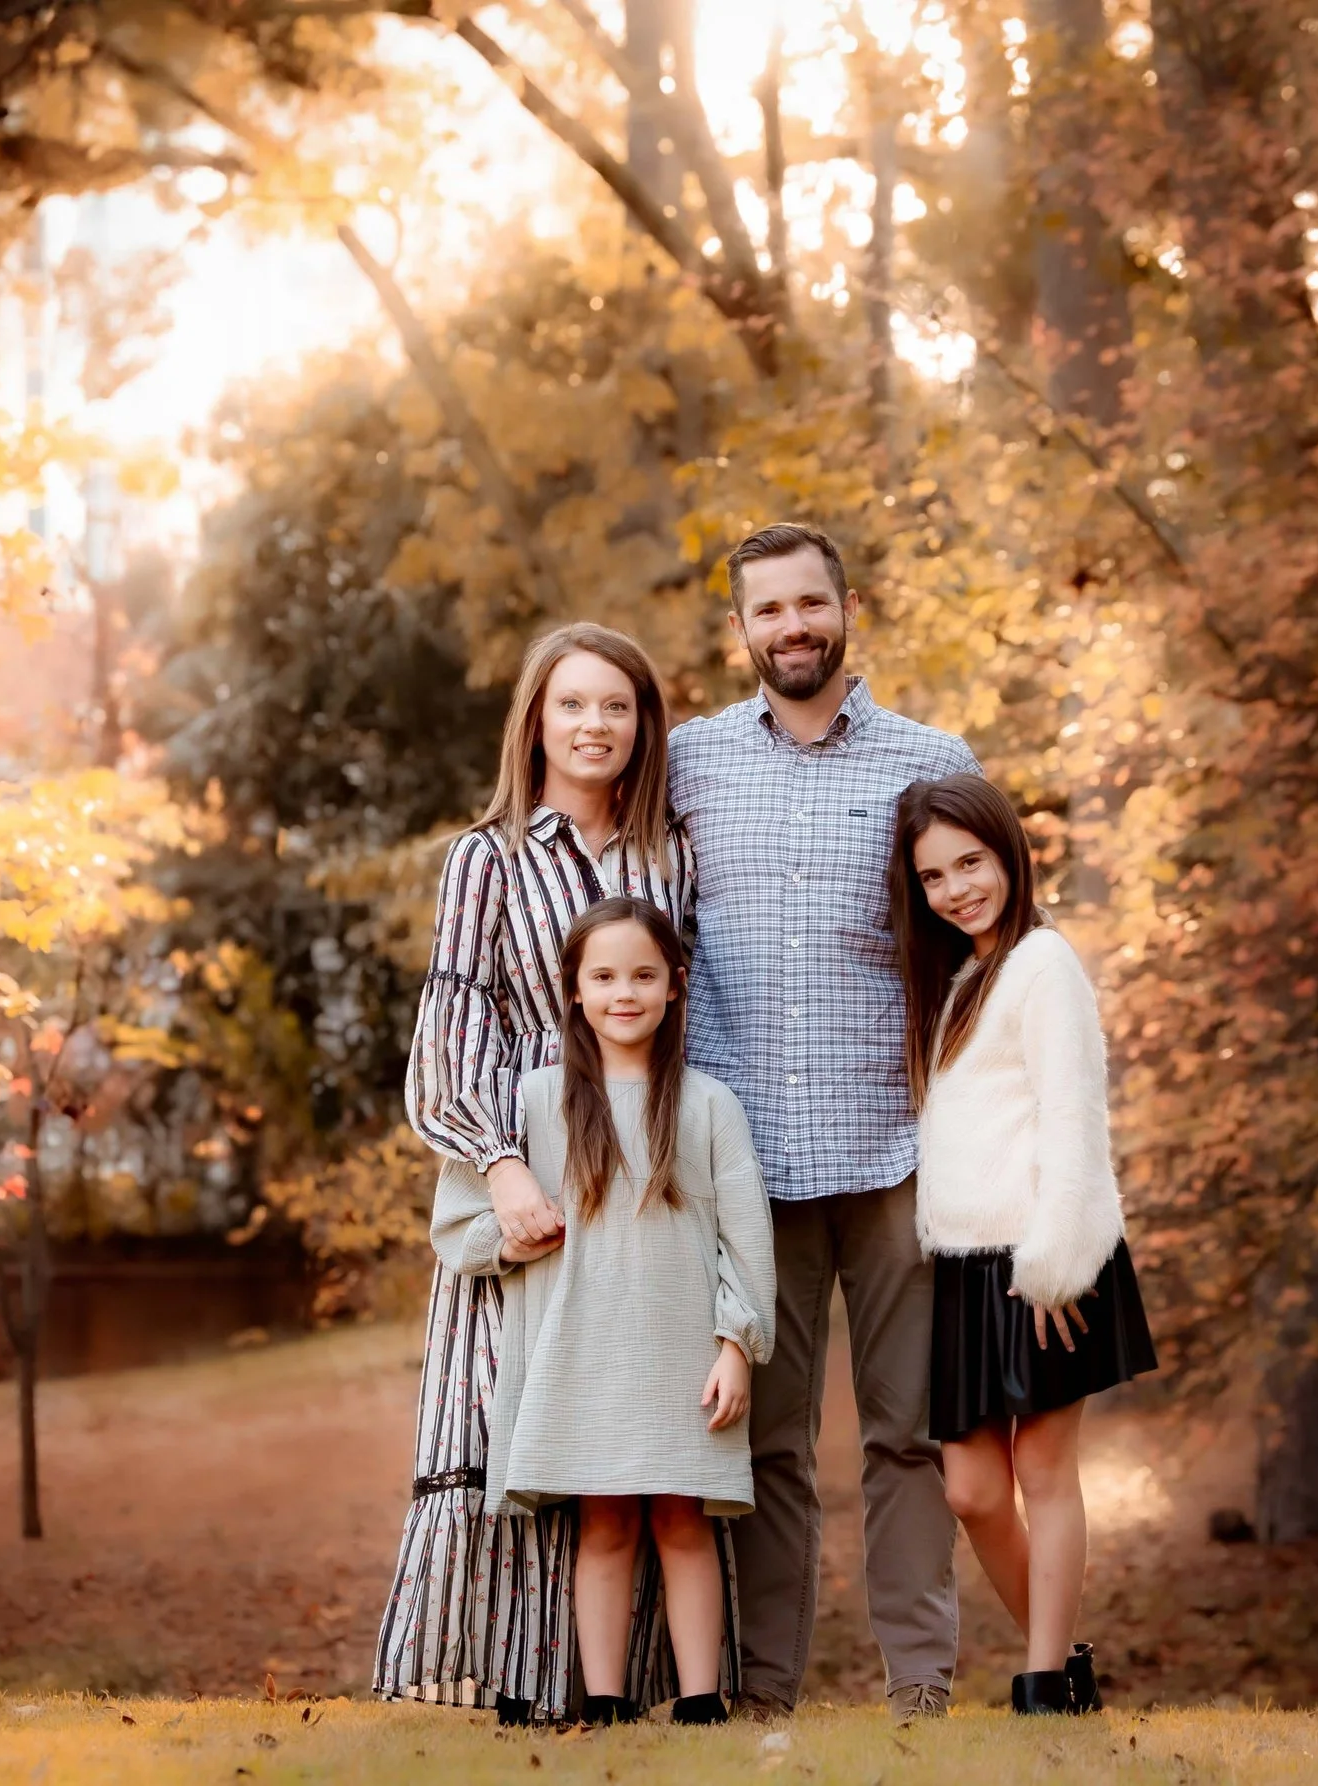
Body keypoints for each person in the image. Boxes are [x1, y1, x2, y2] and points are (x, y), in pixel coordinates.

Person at [669, 522, 981, 1721]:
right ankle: (761, 1700)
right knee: (763, 1445)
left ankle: (921, 1692)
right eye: (767, 610)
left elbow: (980, 940)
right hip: (745, 1165)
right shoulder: (690, 763)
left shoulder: (930, 757)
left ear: (846, 606)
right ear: (740, 628)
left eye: (810, 603)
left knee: (908, 1435)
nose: (791, 627)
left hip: (900, 1151)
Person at [376, 623, 709, 1725]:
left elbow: (684, 1022)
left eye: (615, 706)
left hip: (648, 1177)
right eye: (572, 705)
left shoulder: (669, 852)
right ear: (536, 720)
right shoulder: (488, 857)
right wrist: (501, 1165)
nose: (594, 726)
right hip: (534, 1179)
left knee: (638, 1436)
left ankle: (630, 1687)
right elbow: (450, 1033)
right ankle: (523, 1683)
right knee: (509, 1419)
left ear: (642, 724)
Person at [430, 899, 776, 1728]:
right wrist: (513, 1239)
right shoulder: (533, 1102)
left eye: (644, 975)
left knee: (685, 1523)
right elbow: (458, 1232)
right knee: (606, 1526)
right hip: (581, 1355)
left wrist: (736, 1345)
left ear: (675, 987)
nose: (626, 992)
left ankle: (700, 1705)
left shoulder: (707, 1105)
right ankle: (609, 1701)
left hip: (682, 1358)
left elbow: (748, 1240)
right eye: (605, 976)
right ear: (574, 992)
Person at [889, 773, 1155, 1716]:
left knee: (1043, 1474)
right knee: (970, 1488)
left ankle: (1043, 1685)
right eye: (934, 876)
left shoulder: (1044, 963)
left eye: (972, 863)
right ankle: (1066, 1658)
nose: (958, 888)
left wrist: (1057, 1262)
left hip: (1048, 1260)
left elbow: (1076, 1120)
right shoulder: (962, 976)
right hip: (966, 1266)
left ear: (1009, 855)